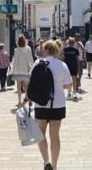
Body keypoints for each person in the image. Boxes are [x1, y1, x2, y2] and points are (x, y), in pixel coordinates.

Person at [32, 40, 73, 170]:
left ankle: (46, 161)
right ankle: (55, 166)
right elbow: (68, 84)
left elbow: (30, 82)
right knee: (55, 136)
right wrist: (58, 85)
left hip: (41, 104)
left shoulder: (38, 63)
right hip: (58, 104)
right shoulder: (62, 65)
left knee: (41, 134)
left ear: (45, 50)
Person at [10, 34, 34, 107]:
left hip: (18, 70)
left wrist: (12, 70)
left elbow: (14, 61)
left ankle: (19, 102)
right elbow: (30, 59)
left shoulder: (16, 50)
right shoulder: (28, 48)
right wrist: (32, 67)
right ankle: (29, 100)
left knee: (19, 87)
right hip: (26, 70)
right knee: (26, 87)